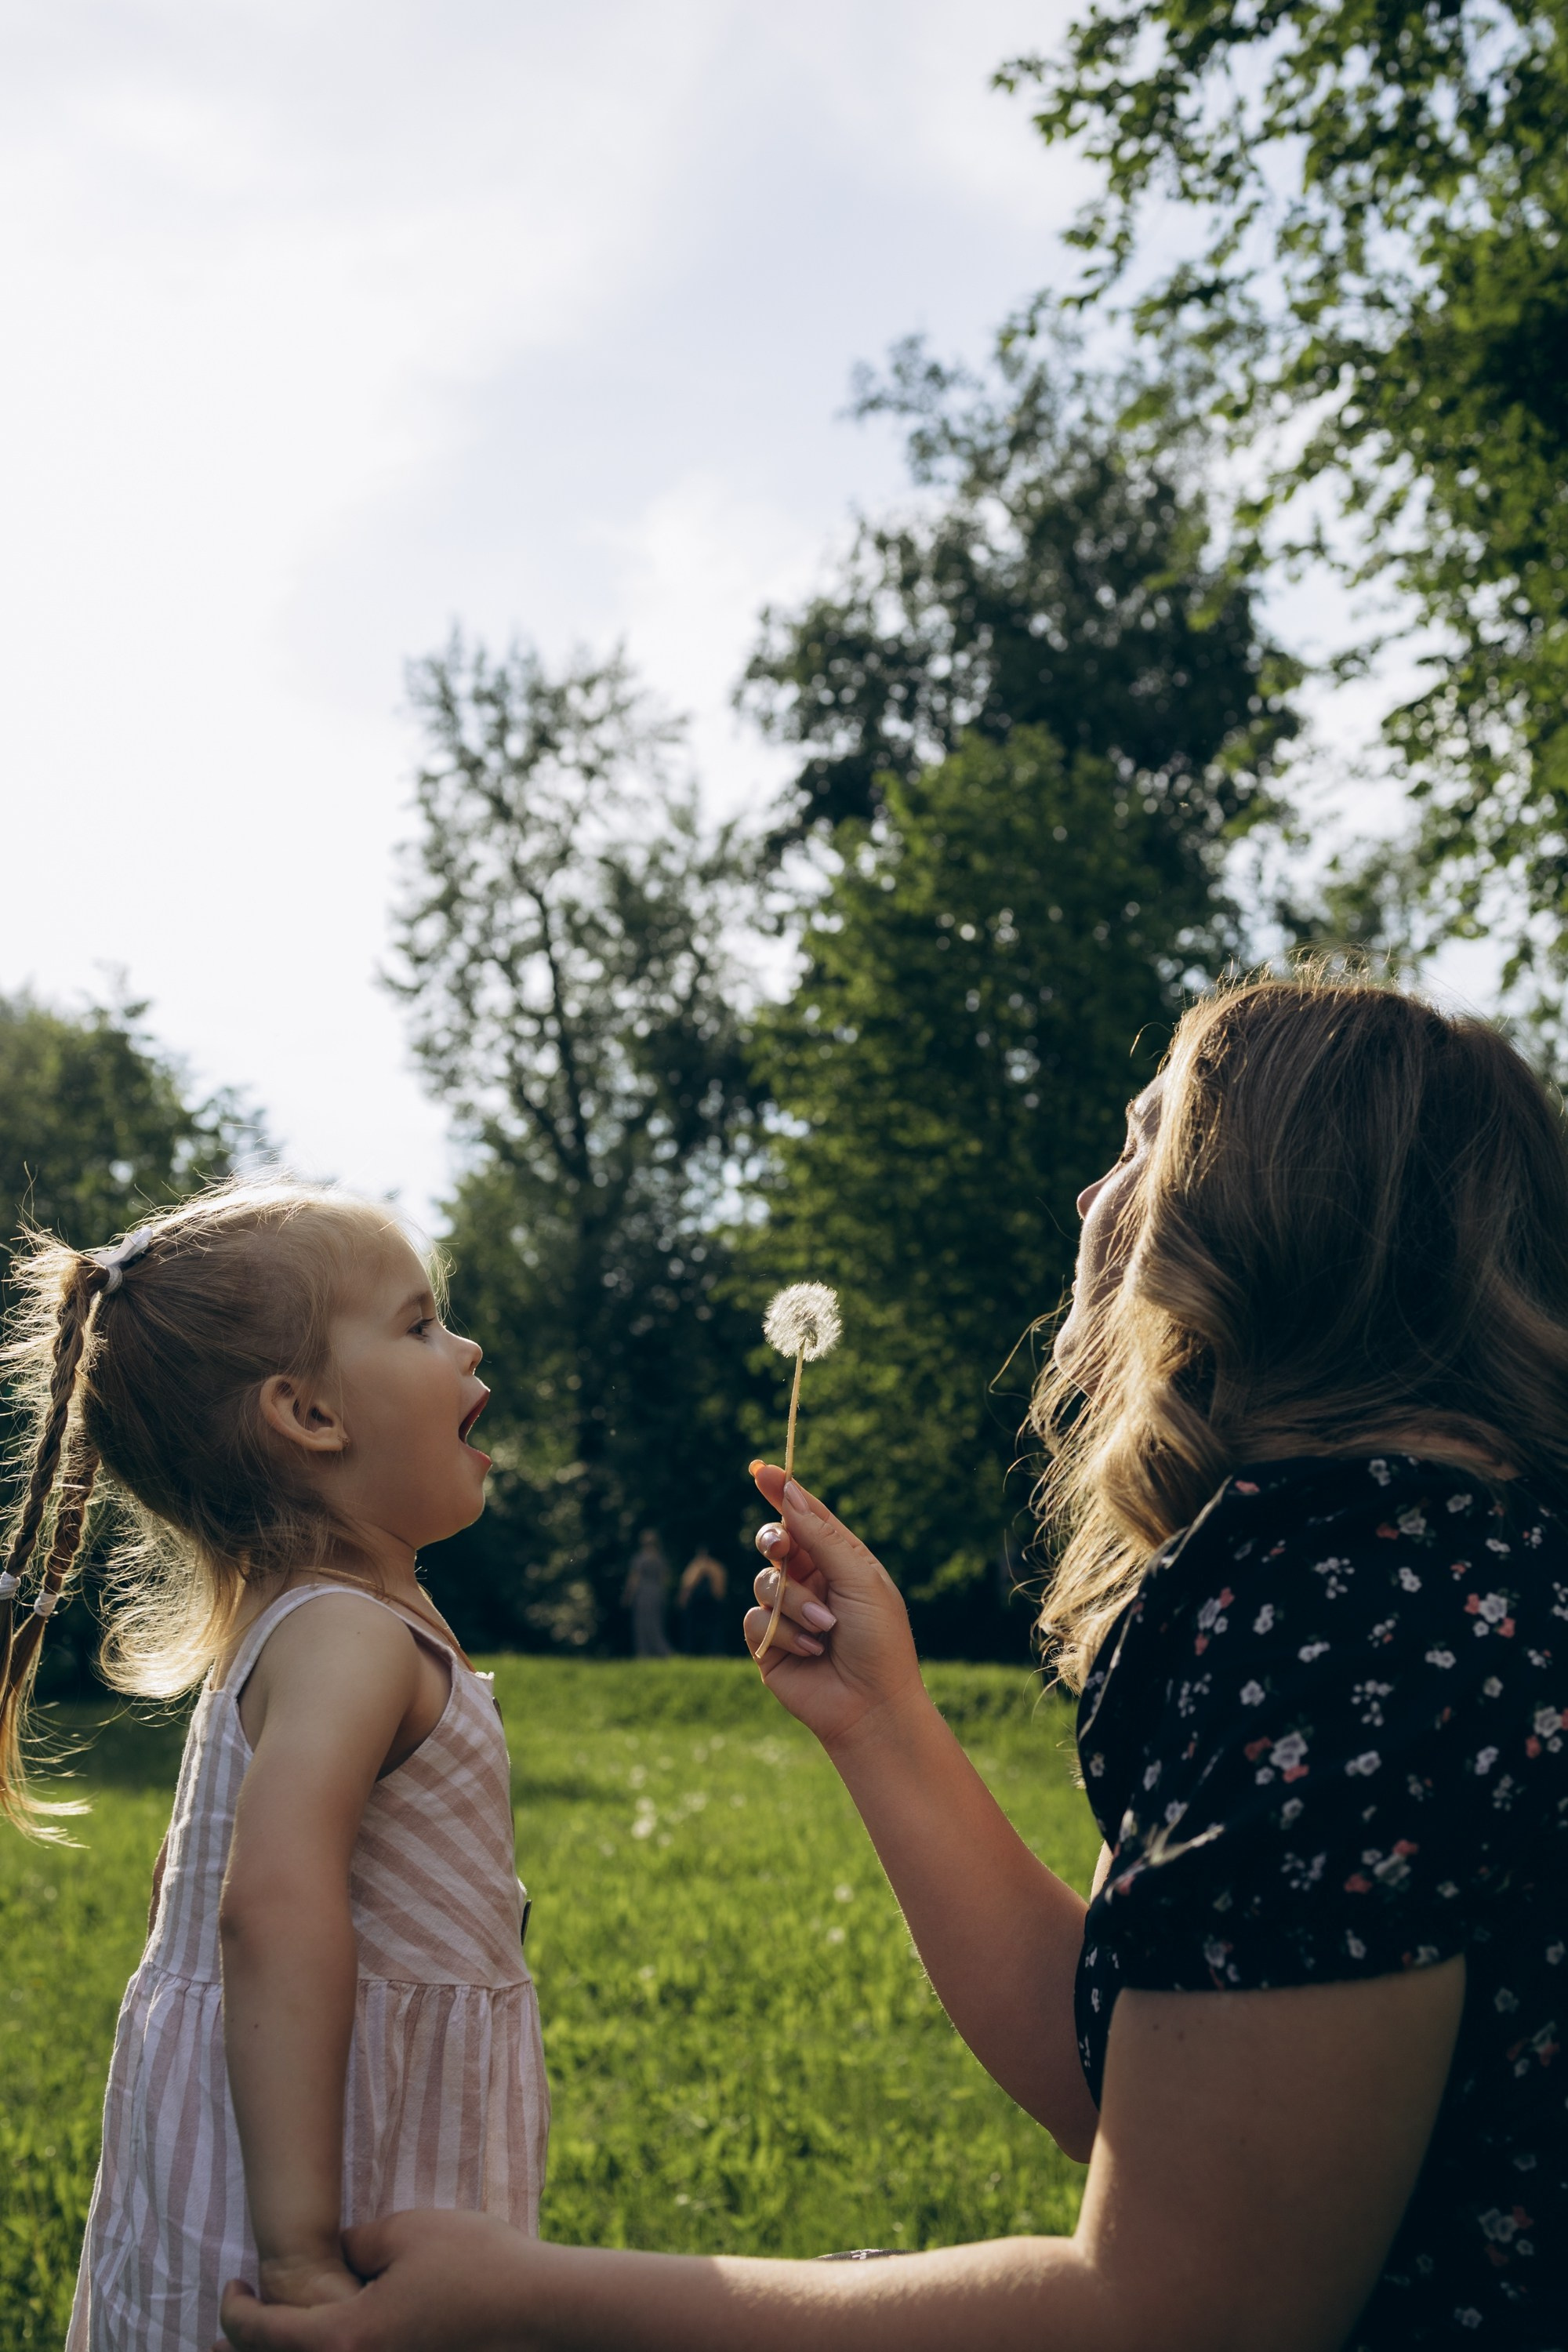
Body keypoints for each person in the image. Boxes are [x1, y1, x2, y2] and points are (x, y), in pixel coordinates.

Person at [219, 971, 1568, 2350]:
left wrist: (527, 2298)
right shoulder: (1429, 1572)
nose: (1090, 1202)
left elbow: (1183, 2309)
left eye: (1139, 1146)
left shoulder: (1339, 1627)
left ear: (1271, 1217)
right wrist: (884, 1724)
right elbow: (1160, 2092)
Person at [0, 1182, 549, 2350]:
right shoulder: (349, 1635)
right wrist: (300, 2256)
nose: (467, 1344)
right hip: (336, 2178)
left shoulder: (300, 1624)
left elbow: (184, 1903)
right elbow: (266, 1911)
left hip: (228, 2151)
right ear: (308, 1413)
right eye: (416, 1325)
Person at [622, 1530, 672, 1658]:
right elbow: (665, 1579)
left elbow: (634, 1580)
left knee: (641, 1624)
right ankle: (661, 1651)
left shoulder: (640, 1559)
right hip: (657, 1593)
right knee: (656, 1623)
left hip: (643, 1593)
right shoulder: (660, 1559)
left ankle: (644, 1653)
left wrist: (627, 1596)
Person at [676, 1547, 728, 1655]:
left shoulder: (696, 1566)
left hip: (700, 1604)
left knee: (694, 1630)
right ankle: (712, 1651)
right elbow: (720, 1591)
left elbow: (688, 1585)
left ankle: (692, 1651)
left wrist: (683, 1600)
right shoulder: (717, 1567)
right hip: (711, 1603)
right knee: (712, 1630)